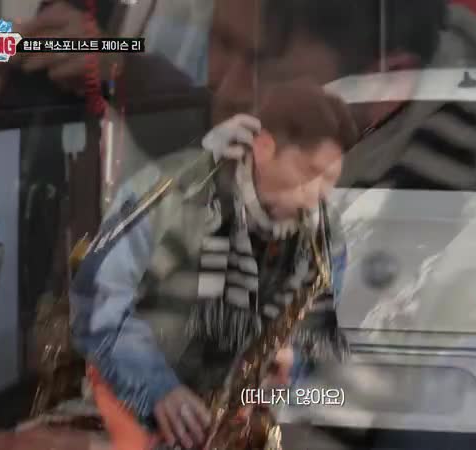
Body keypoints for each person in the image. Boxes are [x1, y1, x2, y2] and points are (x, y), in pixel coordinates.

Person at [69, 82, 359, 449]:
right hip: (134, 411)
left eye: (330, 180)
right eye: (310, 172)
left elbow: (318, 335)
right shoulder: (171, 192)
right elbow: (96, 302)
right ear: (264, 147)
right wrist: (158, 389)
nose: (319, 194)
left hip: (235, 423)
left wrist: (292, 362)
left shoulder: (324, 233)